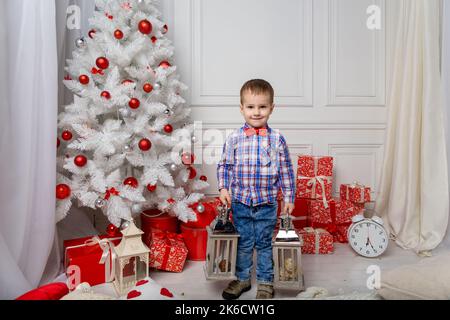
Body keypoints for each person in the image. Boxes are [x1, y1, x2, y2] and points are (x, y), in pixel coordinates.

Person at [217, 79, 296, 299]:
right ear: (241, 108)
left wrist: (289, 196)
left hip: (267, 203)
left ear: (272, 108)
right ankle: (242, 279)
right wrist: (223, 188)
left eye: (262, 106)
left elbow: (286, 170)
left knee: (263, 244)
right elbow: (224, 164)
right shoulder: (234, 138)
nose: (256, 112)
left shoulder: (277, 139)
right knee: (243, 243)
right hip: (241, 202)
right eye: (251, 107)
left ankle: (265, 281)